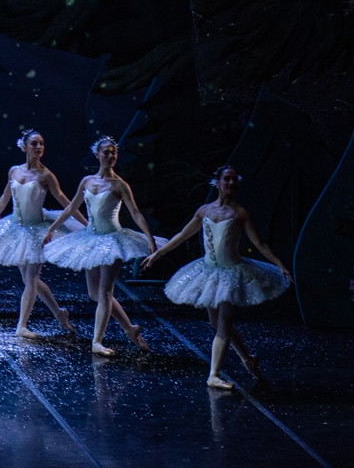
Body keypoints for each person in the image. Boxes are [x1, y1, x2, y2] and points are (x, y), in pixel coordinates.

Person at [143, 165, 290, 387]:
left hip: (231, 274)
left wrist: (279, 264)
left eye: (234, 179)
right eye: (227, 179)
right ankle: (247, 358)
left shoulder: (240, 213)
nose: (231, 183)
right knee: (215, 322)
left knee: (223, 324)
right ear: (217, 183)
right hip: (209, 272)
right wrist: (158, 254)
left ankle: (213, 375)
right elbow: (183, 235)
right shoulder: (204, 211)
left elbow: (259, 243)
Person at [43, 136, 155, 357]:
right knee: (94, 292)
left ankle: (97, 341)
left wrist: (149, 238)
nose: (111, 156)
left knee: (104, 292)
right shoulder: (87, 181)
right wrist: (52, 228)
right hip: (90, 239)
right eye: (106, 152)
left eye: (114, 152)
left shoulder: (119, 185)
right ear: (97, 155)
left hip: (112, 241)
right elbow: (71, 208)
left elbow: (135, 213)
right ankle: (129, 328)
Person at [0, 130, 78, 338]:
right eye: (34, 143)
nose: (39, 147)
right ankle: (59, 313)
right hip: (16, 229)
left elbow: (67, 203)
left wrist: (86, 225)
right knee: (30, 279)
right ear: (25, 147)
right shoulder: (14, 171)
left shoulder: (46, 175)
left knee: (31, 279)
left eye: (41, 143)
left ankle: (21, 325)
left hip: (37, 231)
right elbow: (5, 198)